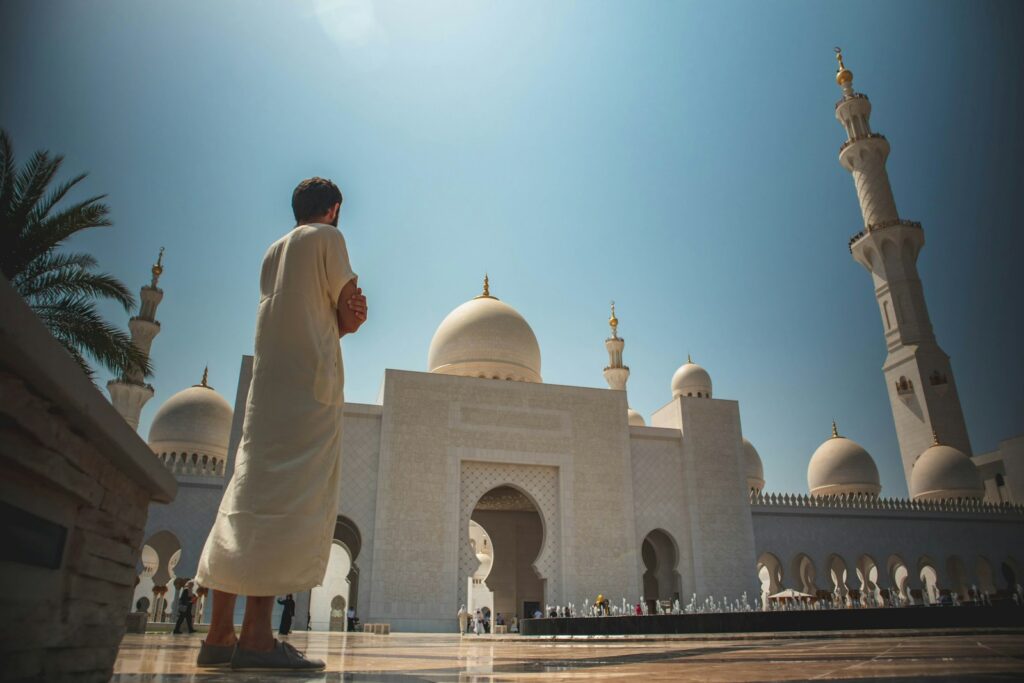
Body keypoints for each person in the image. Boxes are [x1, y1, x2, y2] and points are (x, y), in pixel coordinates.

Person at [194, 178, 368, 671]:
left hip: (266, 392)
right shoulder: (328, 239)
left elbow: (306, 309)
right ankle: (256, 638)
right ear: (334, 209)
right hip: (308, 390)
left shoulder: (272, 253)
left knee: (246, 500)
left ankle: (218, 633)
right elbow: (348, 312)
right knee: (286, 504)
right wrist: (355, 312)